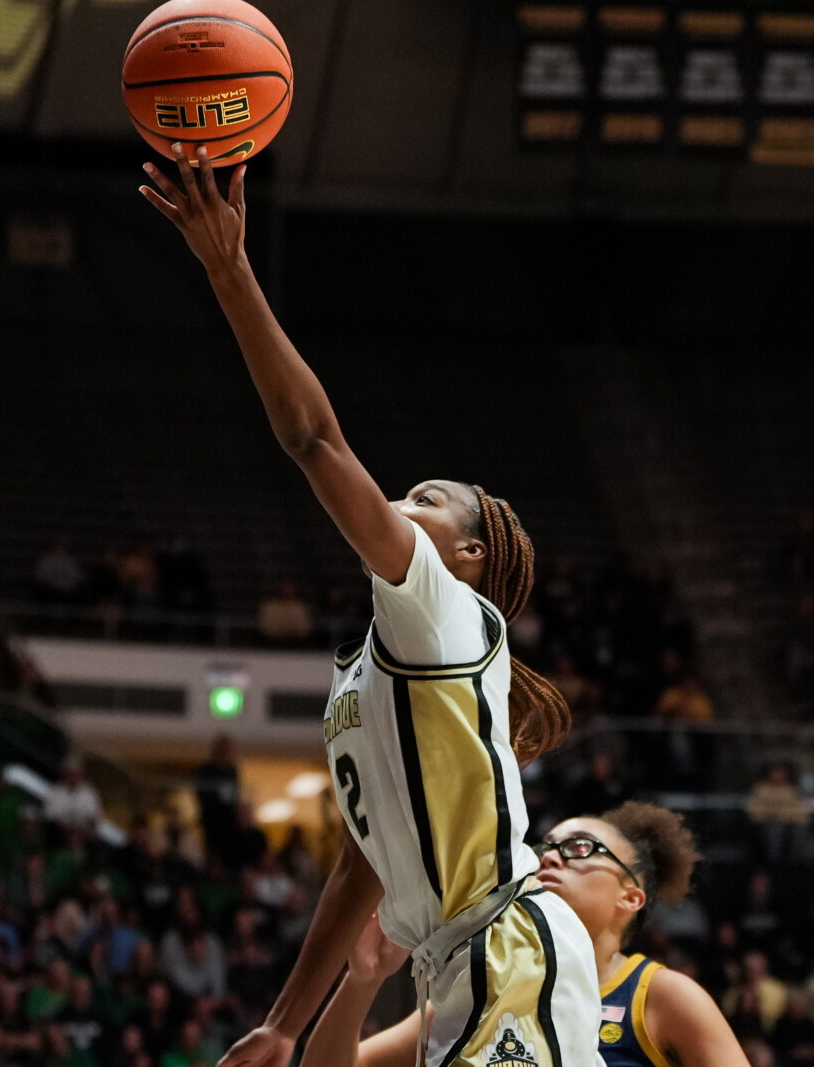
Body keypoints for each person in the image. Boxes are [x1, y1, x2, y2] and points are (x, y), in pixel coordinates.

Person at [141, 145, 592, 1067]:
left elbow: (310, 436)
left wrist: (229, 270)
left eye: (425, 497)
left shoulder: (440, 606)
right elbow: (360, 865)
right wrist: (283, 1021)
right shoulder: (372, 671)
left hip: (507, 942)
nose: (399, 502)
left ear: (464, 556)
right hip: (456, 961)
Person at [304, 801, 749, 1067]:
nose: (550, 858)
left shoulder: (663, 997)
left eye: (579, 849)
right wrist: (362, 981)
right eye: (544, 848)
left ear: (629, 898)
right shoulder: (486, 982)